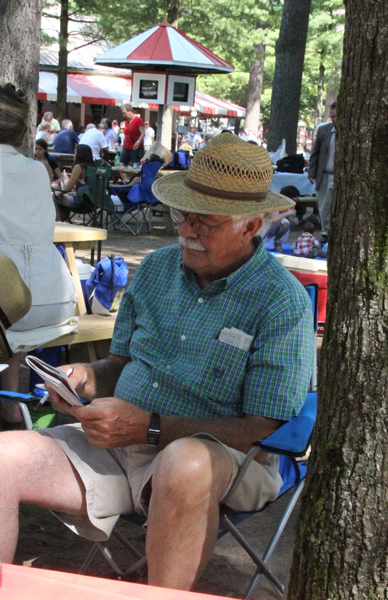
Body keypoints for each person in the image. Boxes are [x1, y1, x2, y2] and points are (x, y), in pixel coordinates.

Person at [0, 134, 314, 591]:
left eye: (204, 222)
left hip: (225, 461)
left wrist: (150, 427)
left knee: (184, 463)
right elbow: (118, 366)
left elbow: (259, 429)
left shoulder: (279, 302)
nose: (186, 231)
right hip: (118, 447)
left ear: (251, 227)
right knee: (3, 456)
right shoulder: (157, 269)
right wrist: (86, 378)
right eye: (181, 215)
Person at [0, 84, 77, 426]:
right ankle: (11, 406)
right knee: (11, 317)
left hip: (14, 299)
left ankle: (11, 406)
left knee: (8, 295)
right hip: (53, 296)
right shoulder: (36, 170)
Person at [308, 101, 337, 243]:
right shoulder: (324, 131)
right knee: (324, 206)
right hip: (324, 174)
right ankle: (325, 232)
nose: (333, 120)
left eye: (336, 116)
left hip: (340, 176)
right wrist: (311, 171)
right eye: (332, 117)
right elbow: (315, 153)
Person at [52, 144, 95, 219]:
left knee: (54, 196)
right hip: (93, 203)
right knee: (66, 194)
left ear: (79, 154)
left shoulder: (79, 167)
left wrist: (59, 192)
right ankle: (65, 219)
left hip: (80, 204)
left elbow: (68, 188)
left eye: (75, 152)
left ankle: (59, 221)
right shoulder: (94, 167)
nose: (74, 155)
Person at [262, 186, 298, 252]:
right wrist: (287, 213)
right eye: (294, 200)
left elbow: (291, 222)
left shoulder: (290, 206)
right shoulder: (275, 204)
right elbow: (272, 220)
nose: (294, 203)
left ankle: (277, 240)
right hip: (267, 228)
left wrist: (293, 217)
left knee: (286, 222)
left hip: (277, 229)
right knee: (280, 220)